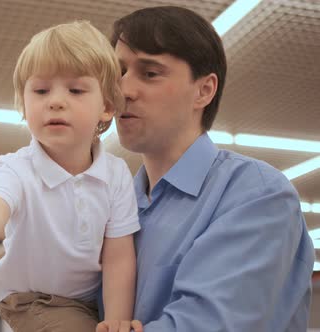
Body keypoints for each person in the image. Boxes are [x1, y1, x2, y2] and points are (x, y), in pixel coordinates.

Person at [0, 21, 144, 332]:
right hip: (36, 300)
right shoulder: (17, 169)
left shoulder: (115, 174)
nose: (55, 100)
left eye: (76, 90)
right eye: (40, 90)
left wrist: (116, 320)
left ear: (106, 107)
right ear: (23, 103)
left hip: (91, 300)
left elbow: (119, 256)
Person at [97, 6, 315, 332]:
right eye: (119, 72)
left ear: (204, 90)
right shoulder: (114, 204)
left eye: (150, 73)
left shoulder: (256, 194)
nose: (124, 90)